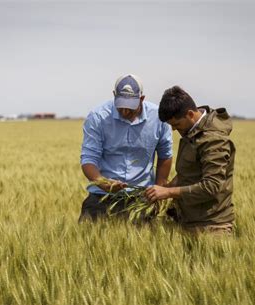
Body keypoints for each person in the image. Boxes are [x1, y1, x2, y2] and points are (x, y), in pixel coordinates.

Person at [79, 74, 173, 221]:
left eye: (130, 107)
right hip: (101, 196)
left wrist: (159, 189)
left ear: (142, 99)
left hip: (142, 197)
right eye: (121, 105)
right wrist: (103, 183)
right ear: (114, 95)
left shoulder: (158, 118)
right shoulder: (98, 117)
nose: (124, 111)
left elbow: (165, 155)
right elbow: (88, 159)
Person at [144, 86, 235, 234]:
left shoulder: (213, 140)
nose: (173, 129)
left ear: (190, 114)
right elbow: (191, 171)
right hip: (188, 219)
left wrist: (168, 193)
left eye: (176, 124)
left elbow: (212, 186)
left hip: (211, 226)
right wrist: (166, 188)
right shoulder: (192, 131)